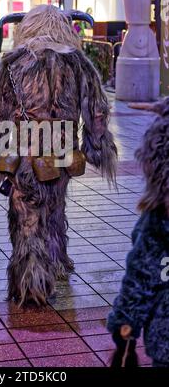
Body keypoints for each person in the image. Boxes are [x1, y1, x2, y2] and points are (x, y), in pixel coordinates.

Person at [0, 4, 117, 306]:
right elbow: (97, 110)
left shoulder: (9, 65)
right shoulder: (79, 63)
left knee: (26, 216)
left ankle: (32, 285)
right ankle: (56, 261)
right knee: (55, 205)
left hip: (21, 152)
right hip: (61, 150)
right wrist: (95, 146)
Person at [107, 97, 169, 368]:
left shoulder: (159, 222)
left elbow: (140, 281)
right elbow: (141, 278)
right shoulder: (158, 224)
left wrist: (126, 334)